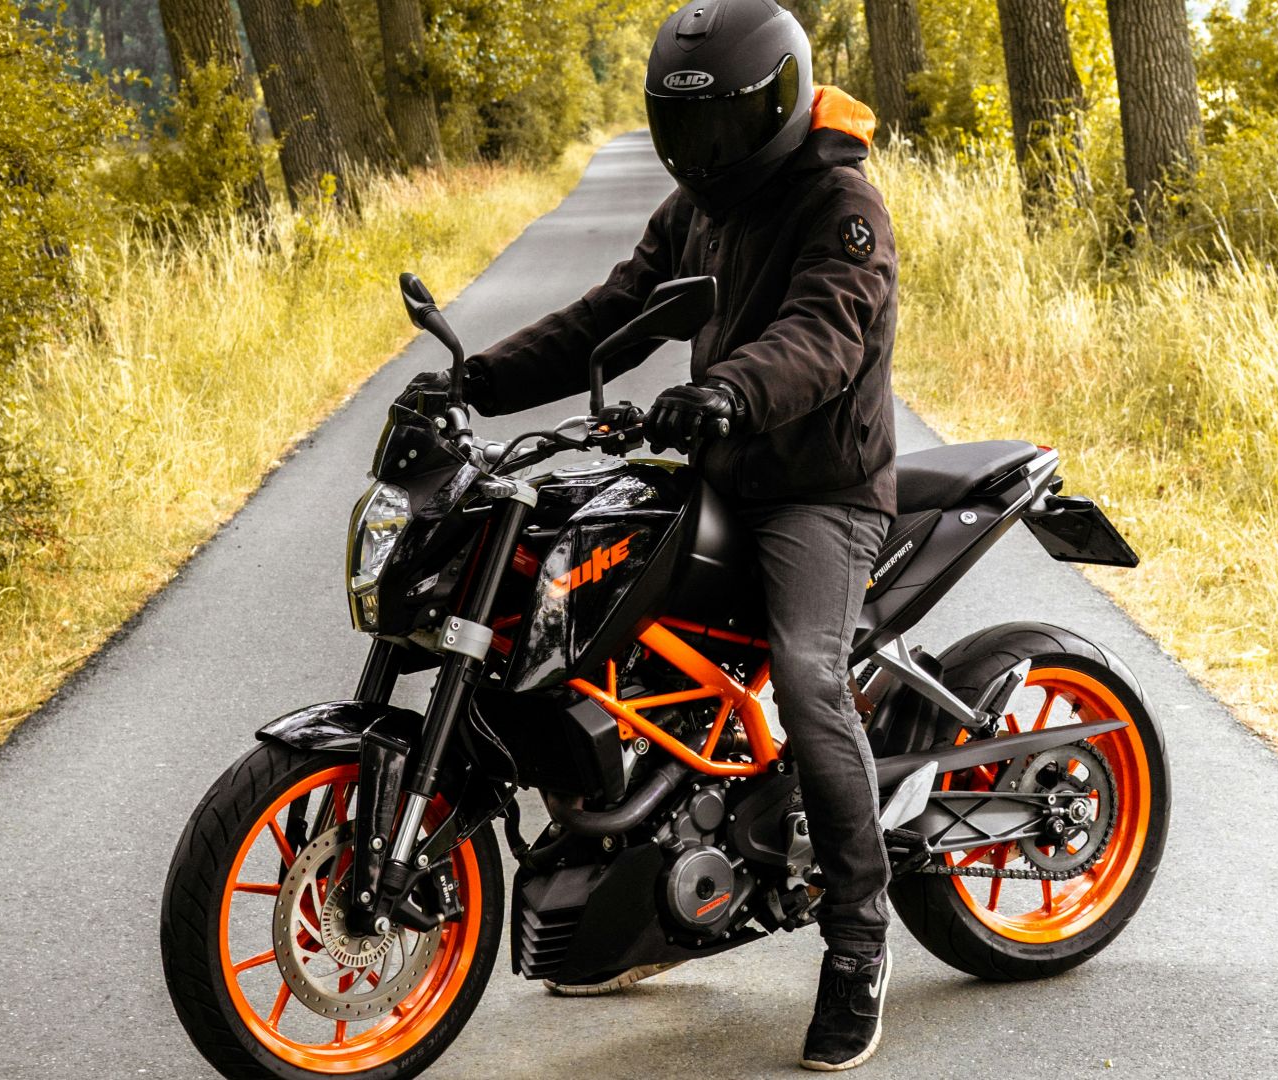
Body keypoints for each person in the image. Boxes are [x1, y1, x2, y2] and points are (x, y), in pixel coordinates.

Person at [415, 0, 899, 1069]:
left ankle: (861, 938)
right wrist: (471, 382)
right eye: (687, 135)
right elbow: (612, 312)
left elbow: (824, 333)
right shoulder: (696, 211)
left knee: (811, 680)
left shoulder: (841, 202)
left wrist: (727, 389)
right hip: (718, 471)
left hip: (820, 491)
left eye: (722, 131)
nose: (703, 155)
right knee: (571, 614)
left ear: (773, 105)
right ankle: (640, 879)